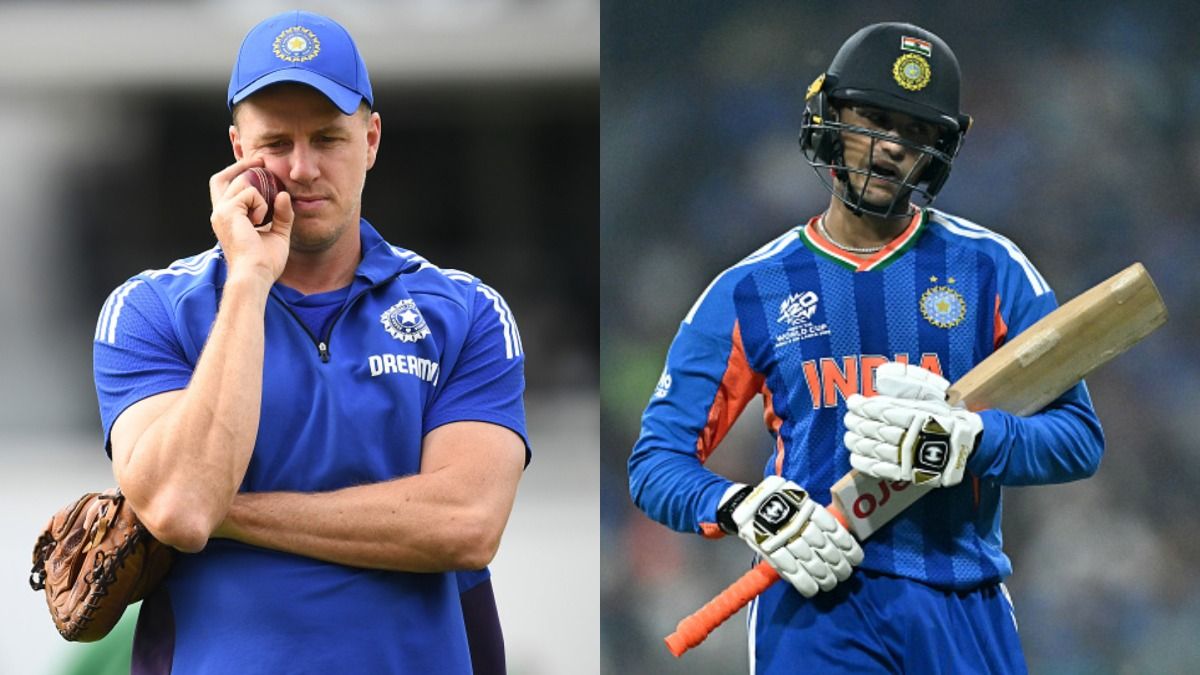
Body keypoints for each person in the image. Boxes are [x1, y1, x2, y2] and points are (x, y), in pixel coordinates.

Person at [628, 21, 1103, 673]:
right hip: (814, 604)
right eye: (873, 119)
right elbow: (656, 462)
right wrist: (742, 506)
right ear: (830, 118)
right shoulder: (747, 291)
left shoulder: (993, 268)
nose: (890, 149)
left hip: (964, 600)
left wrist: (964, 442)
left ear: (939, 150)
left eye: (915, 132)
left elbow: (1078, 438)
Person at [92, 10, 528, 674]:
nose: (301, 167)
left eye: (328, 137)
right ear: (239, 150)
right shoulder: (149, 309)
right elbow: (182, 508)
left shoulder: (465, 310)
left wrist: (229, 512)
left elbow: (466, 522)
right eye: (276, 143)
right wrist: (249, 277)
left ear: (372, 139)